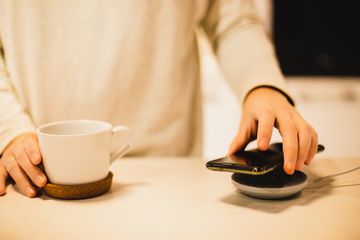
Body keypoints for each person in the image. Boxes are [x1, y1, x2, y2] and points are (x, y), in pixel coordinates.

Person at [0, 0, 317, 197]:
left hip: (170, 180)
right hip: (37, 175)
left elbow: (232, 19)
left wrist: (261, 86)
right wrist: (8, 128)